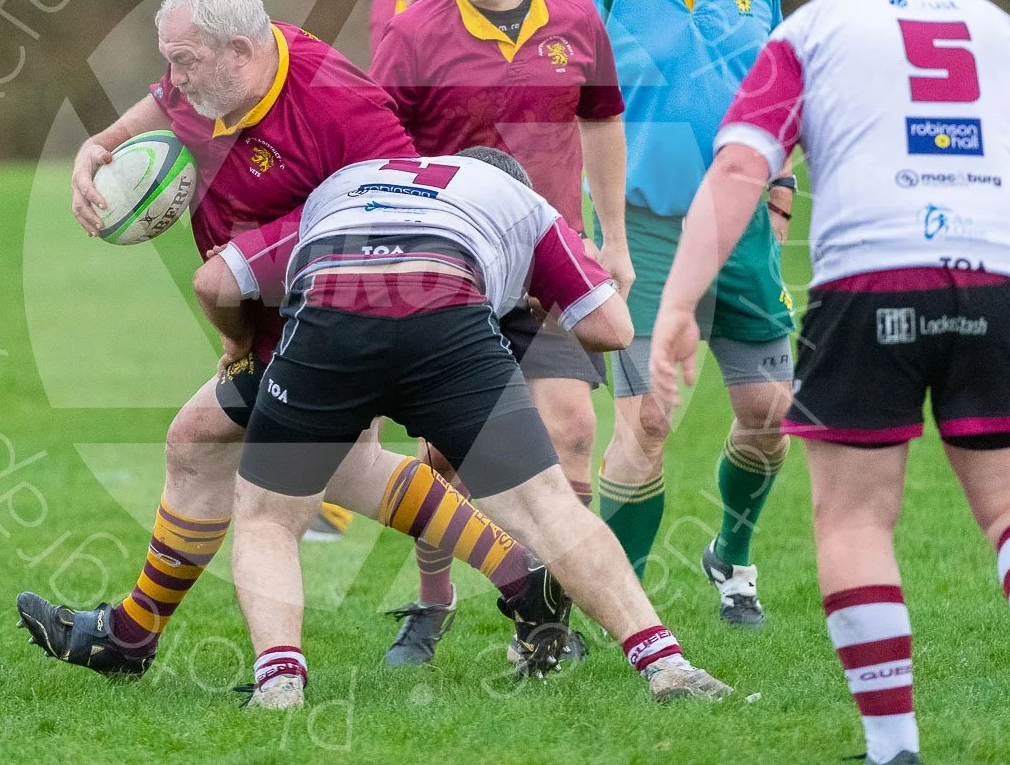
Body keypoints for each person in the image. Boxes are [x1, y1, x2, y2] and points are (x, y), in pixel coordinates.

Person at [650, 0, 1010, 765]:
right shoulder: (999, 29)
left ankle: (893, 745)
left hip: (867, 282)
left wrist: (679, 302)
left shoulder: (808, 29)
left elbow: (743, 166)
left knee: (856, 519)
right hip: (1000, 283)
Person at [16, 0, 567, 679]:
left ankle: (140, 640)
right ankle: (525, 579)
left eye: (183, 62)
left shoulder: (341, 106)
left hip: (341, 312)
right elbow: (163, 105)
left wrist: (240, 338)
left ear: (240, 51)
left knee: (227, 453)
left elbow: (404, 216)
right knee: (334, 465)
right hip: (282, 311)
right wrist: (101, 146)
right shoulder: (215, 74)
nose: (174, 79)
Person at [194, 147, 731, 709]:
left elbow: (218, 284)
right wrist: (535, 285)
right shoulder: (525, 204)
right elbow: (613, 329)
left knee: (268, 518)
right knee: (549, 508)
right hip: (446, 314)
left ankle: (279, 683)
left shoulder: (346, 182)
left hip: (331, 317)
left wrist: (236, 344)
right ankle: (666, 664)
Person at [368, 0, 632, 665]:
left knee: (573, 431)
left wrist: (611, 237)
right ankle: (431, 599)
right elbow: (380, 146)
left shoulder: (577, 18)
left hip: (551, 263)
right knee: (447, 456)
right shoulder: (416, 34)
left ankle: (551, 620)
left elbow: (602, 117)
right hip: (451, 270)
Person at [572, 0, 794, 627]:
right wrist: (601, 235)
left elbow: (780, 87)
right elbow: (573, 117)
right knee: (650, 418)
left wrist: (780, 193)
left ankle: (731, 558)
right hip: (646, 233)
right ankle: (618, 606)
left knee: (770, 415)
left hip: (743, 231)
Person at [306, 0, 456, 545]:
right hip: (398, 191)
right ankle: (337, 496)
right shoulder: (385, 3)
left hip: (453, 199)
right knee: (358, 319)